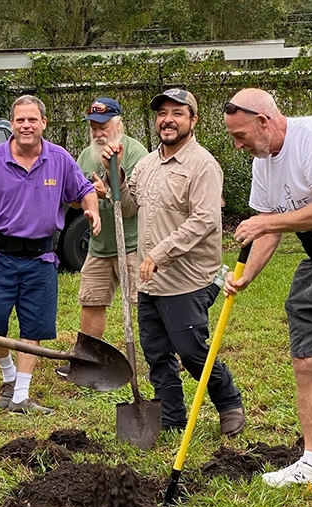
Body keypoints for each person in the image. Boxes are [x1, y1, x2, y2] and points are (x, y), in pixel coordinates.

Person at [103, 88, 245, 435]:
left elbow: (205, 220)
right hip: (150, 280)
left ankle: (229, 403)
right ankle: (170, 417)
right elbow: (128, 206)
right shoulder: (149, 163)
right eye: (163, 113)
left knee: (192, 351)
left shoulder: (203, 165)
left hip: (188, 278)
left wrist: (159, 253)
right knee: (156, 354)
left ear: (193, 120)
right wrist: (115, 175)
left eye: (178, 113)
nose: (168, 119)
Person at [0, 94, 101, 414]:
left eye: (32, 119)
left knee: (33, 329)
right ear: (11, 123)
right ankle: (8, 375)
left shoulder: (59, 159)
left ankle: (20, 396)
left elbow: (85, 191)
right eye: (20, 119)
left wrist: (92, 211)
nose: (26, 125)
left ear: (43, 123)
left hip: (39, 258)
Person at [224, 88, 312, 490]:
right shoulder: (263, 162)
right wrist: (246, 276)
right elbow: (268, 226)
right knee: (307, 362)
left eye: (241, 136)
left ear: (264, 121)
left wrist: (268, 224)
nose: (238, 146)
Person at [75, 97, 147, 338]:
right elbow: (74, 197)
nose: (98, 133)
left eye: (103, 127)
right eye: (94, 128)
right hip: (100, 246)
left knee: (146, 302)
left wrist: (106, 194)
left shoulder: (137, 153)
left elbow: (136, 205)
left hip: (134, 244)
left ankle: (164, 357)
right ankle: (90, 358)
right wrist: (84, 198)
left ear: (118, 125)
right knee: (91, 300)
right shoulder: (86, 156)